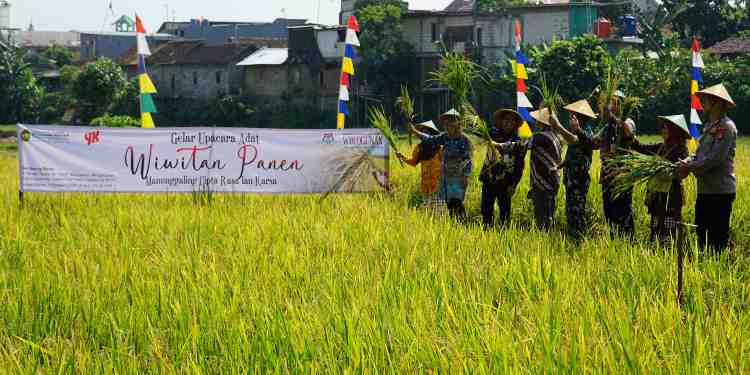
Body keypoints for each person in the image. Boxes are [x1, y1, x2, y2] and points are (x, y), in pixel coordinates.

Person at [494, 107, 578, 230]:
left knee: (542, 218)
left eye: (537, 121)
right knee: (549, 215)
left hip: (542, 183)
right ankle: (548, 238)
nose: (536, 123)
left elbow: (520, 145)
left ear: (542, 123)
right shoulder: (556, 136)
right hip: (552, 182)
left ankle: (545, 241)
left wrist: (498, 145)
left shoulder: (541, 137)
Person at [677, 84, 737, 253]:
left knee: (718, 237)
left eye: (706, 99)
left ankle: (719, 271)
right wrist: (685, 162)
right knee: (702, 232)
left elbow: (715, 158)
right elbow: (698, 153)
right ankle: (704, 269)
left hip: (720, 191)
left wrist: (689, 166)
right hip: (705, 190)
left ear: (717, 102)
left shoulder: (727, 127)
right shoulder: (709, 126)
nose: (703, 102)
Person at [631, 115, 690, 246]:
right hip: (657, 194)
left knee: (669, 227)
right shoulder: (660, 147)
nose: (662, 130)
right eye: (662, 127)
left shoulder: (681, 151)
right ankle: (655, 249)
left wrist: (667, 172)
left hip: (672, 195)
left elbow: (681, 172)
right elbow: (641, 147)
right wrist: (630, 136)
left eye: (665, 127)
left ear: (674, 130)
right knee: (656, 223)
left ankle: (668, 254)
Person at [411, 109, 473, 219]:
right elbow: (431, 139)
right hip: (446, 177)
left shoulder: (464, 140)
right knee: (449, 203)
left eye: (450, 122)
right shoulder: (445, 137)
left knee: (457, 202)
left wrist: (466, 175)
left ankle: (463, 224)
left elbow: (467, 159)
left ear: (457, 123)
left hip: (458, 176)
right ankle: (455, 226)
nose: (447, 126)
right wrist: (416, 132)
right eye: (446, 123)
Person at [479, 109, 526, 227]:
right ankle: (487, 235)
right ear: (501, 121)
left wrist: (514, 184)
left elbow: (520, 165)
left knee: (504, 214)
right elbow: (479, 136)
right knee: (486, 210)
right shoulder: (492, 133)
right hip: (489, 178)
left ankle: (503, 237)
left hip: (506, 182)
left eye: (511, 120)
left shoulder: (518, 141)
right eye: (506, 119)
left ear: (515, 124)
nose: (508, 122)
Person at [600, 91, 637, 239]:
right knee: (609, 213)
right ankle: (615, 244)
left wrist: (614, 119)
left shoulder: (627, 121)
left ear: (622, 105)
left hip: (622, 176)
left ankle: (628, 244)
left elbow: (628, 133)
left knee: (623, 213)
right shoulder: (607, 126)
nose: (612, 106)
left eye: (616, 103)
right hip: (607, 177)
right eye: (611, 102)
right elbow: (594, 141)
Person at [560, 99, 599, 241]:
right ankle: (573, 240)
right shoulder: (576, 134)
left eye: (574, 116)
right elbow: (571, 156)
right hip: (571, 180)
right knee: (570, 212)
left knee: (577, 213)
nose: (571, 118)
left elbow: (589, 142)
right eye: (571, 116)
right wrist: (559, 166)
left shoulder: (585, 133)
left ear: (580, 118)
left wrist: (559, 126)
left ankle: (579, 242)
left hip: (579, 181)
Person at [397, 120, 444, 210]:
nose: (423, 134)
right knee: (427, 211)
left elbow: (445, 163)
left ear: (431, 133)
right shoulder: (419, 148)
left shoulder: (439, 148)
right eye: (422, 131)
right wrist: (402, 157)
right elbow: (413, 162)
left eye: (425, 131)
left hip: (438, 184)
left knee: (439, 212)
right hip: (426, 184)